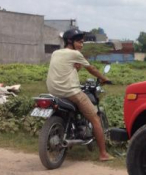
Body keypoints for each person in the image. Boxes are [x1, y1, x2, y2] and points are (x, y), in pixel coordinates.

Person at [47, 28, 113, 161]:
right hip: (71, 92)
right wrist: (103, 78)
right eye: (79, 42)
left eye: (82, 42)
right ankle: (103, 154)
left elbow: (70, 68)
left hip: (54, 91)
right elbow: (91, 69)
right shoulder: (75, 54)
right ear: (70, 41)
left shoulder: (56, 53)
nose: (81, 45)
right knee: (95, 119)